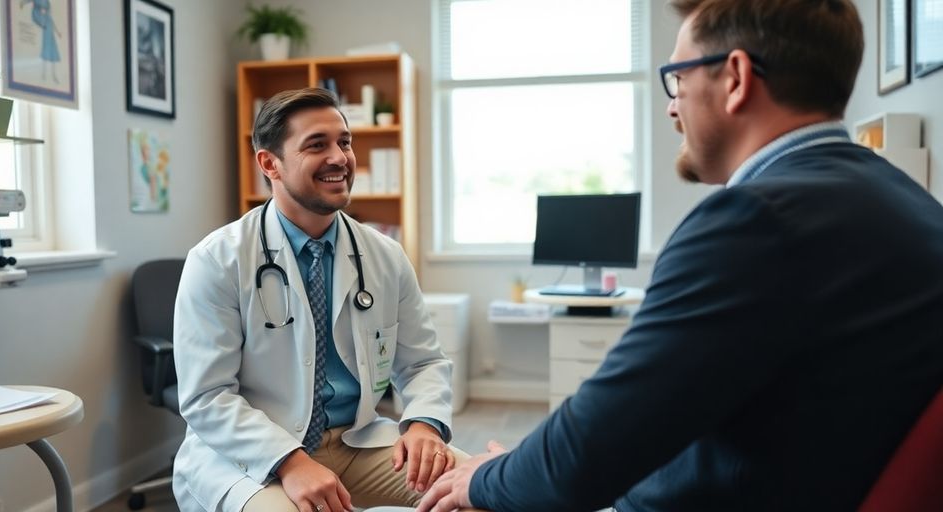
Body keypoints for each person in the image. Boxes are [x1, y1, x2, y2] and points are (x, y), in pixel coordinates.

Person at [418, 1, 943, 511]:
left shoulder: (755, 220)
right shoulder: (906, 200)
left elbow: (581, 460)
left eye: (678, 78)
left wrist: (486, 478)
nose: (672, 106)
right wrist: (522, 469)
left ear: (735, 78)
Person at [173, 88, 461, 512]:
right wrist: (289, 461)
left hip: (355, 442)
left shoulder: (384, 255)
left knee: (477, 492)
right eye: (316, 145)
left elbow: (422, 363)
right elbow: (207, 396)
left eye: (344, 142)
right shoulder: (218, 259)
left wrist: (423, 424)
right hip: (251, 455)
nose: (340, 157)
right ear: (269, 163)